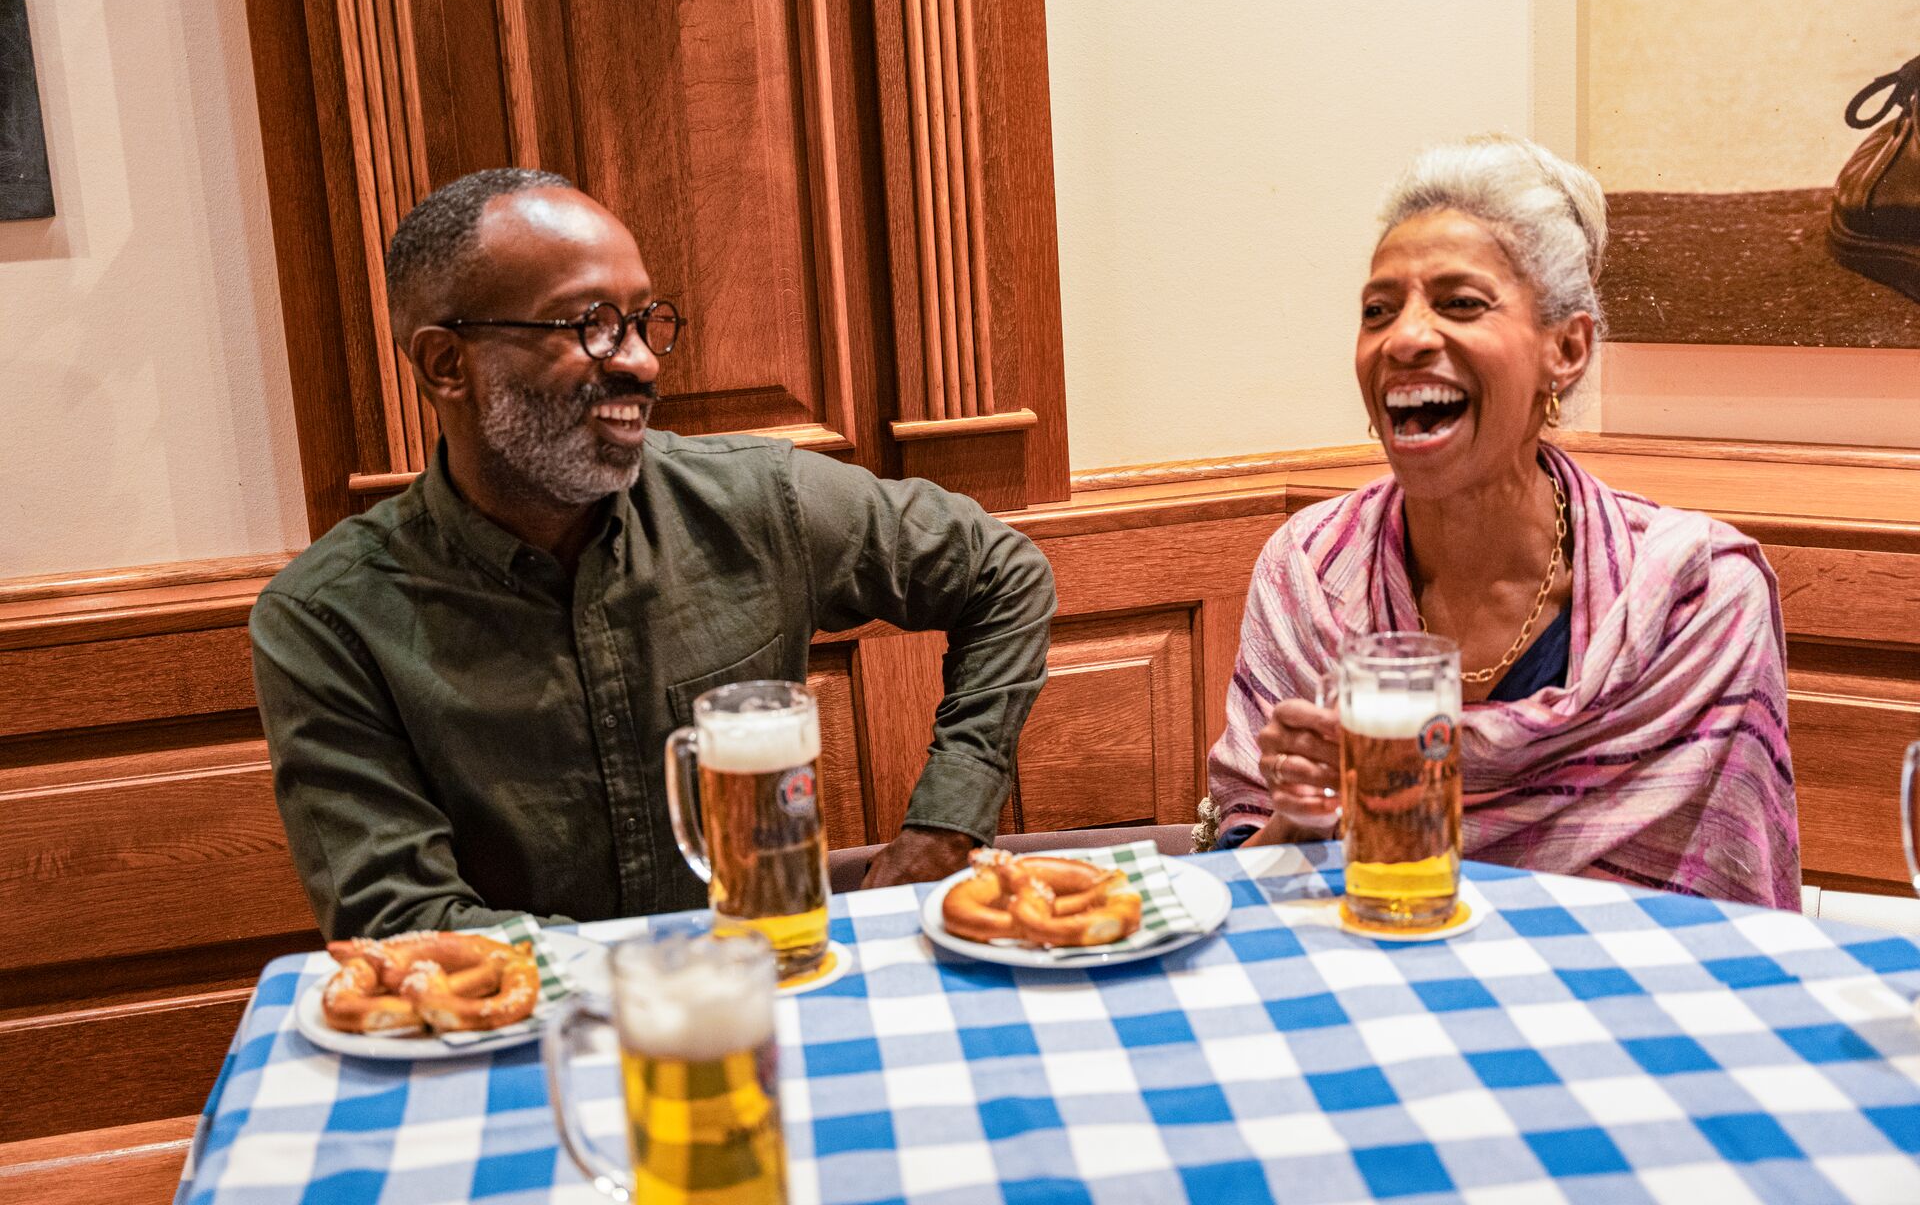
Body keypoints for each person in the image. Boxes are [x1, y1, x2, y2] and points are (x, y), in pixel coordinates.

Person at [252, 168, 1056, 940]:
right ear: (445, 364)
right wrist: (659, 985)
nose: (640, 360)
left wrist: (947, 826)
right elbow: (407, 927)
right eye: (590, 325)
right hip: (522, 1046)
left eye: (644, 321)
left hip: (770, 990)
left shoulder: (753, 500)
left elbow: (1003, 573)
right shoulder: (331, 619)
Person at [1204, 136, 1799, 909]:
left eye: (1460, 303)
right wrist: (1304, 816)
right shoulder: (1308, 573)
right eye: (1378, 311)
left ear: (1567, 348)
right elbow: (1252, 878)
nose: (1406, 338)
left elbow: (1725, 927)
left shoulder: (1698, 599)